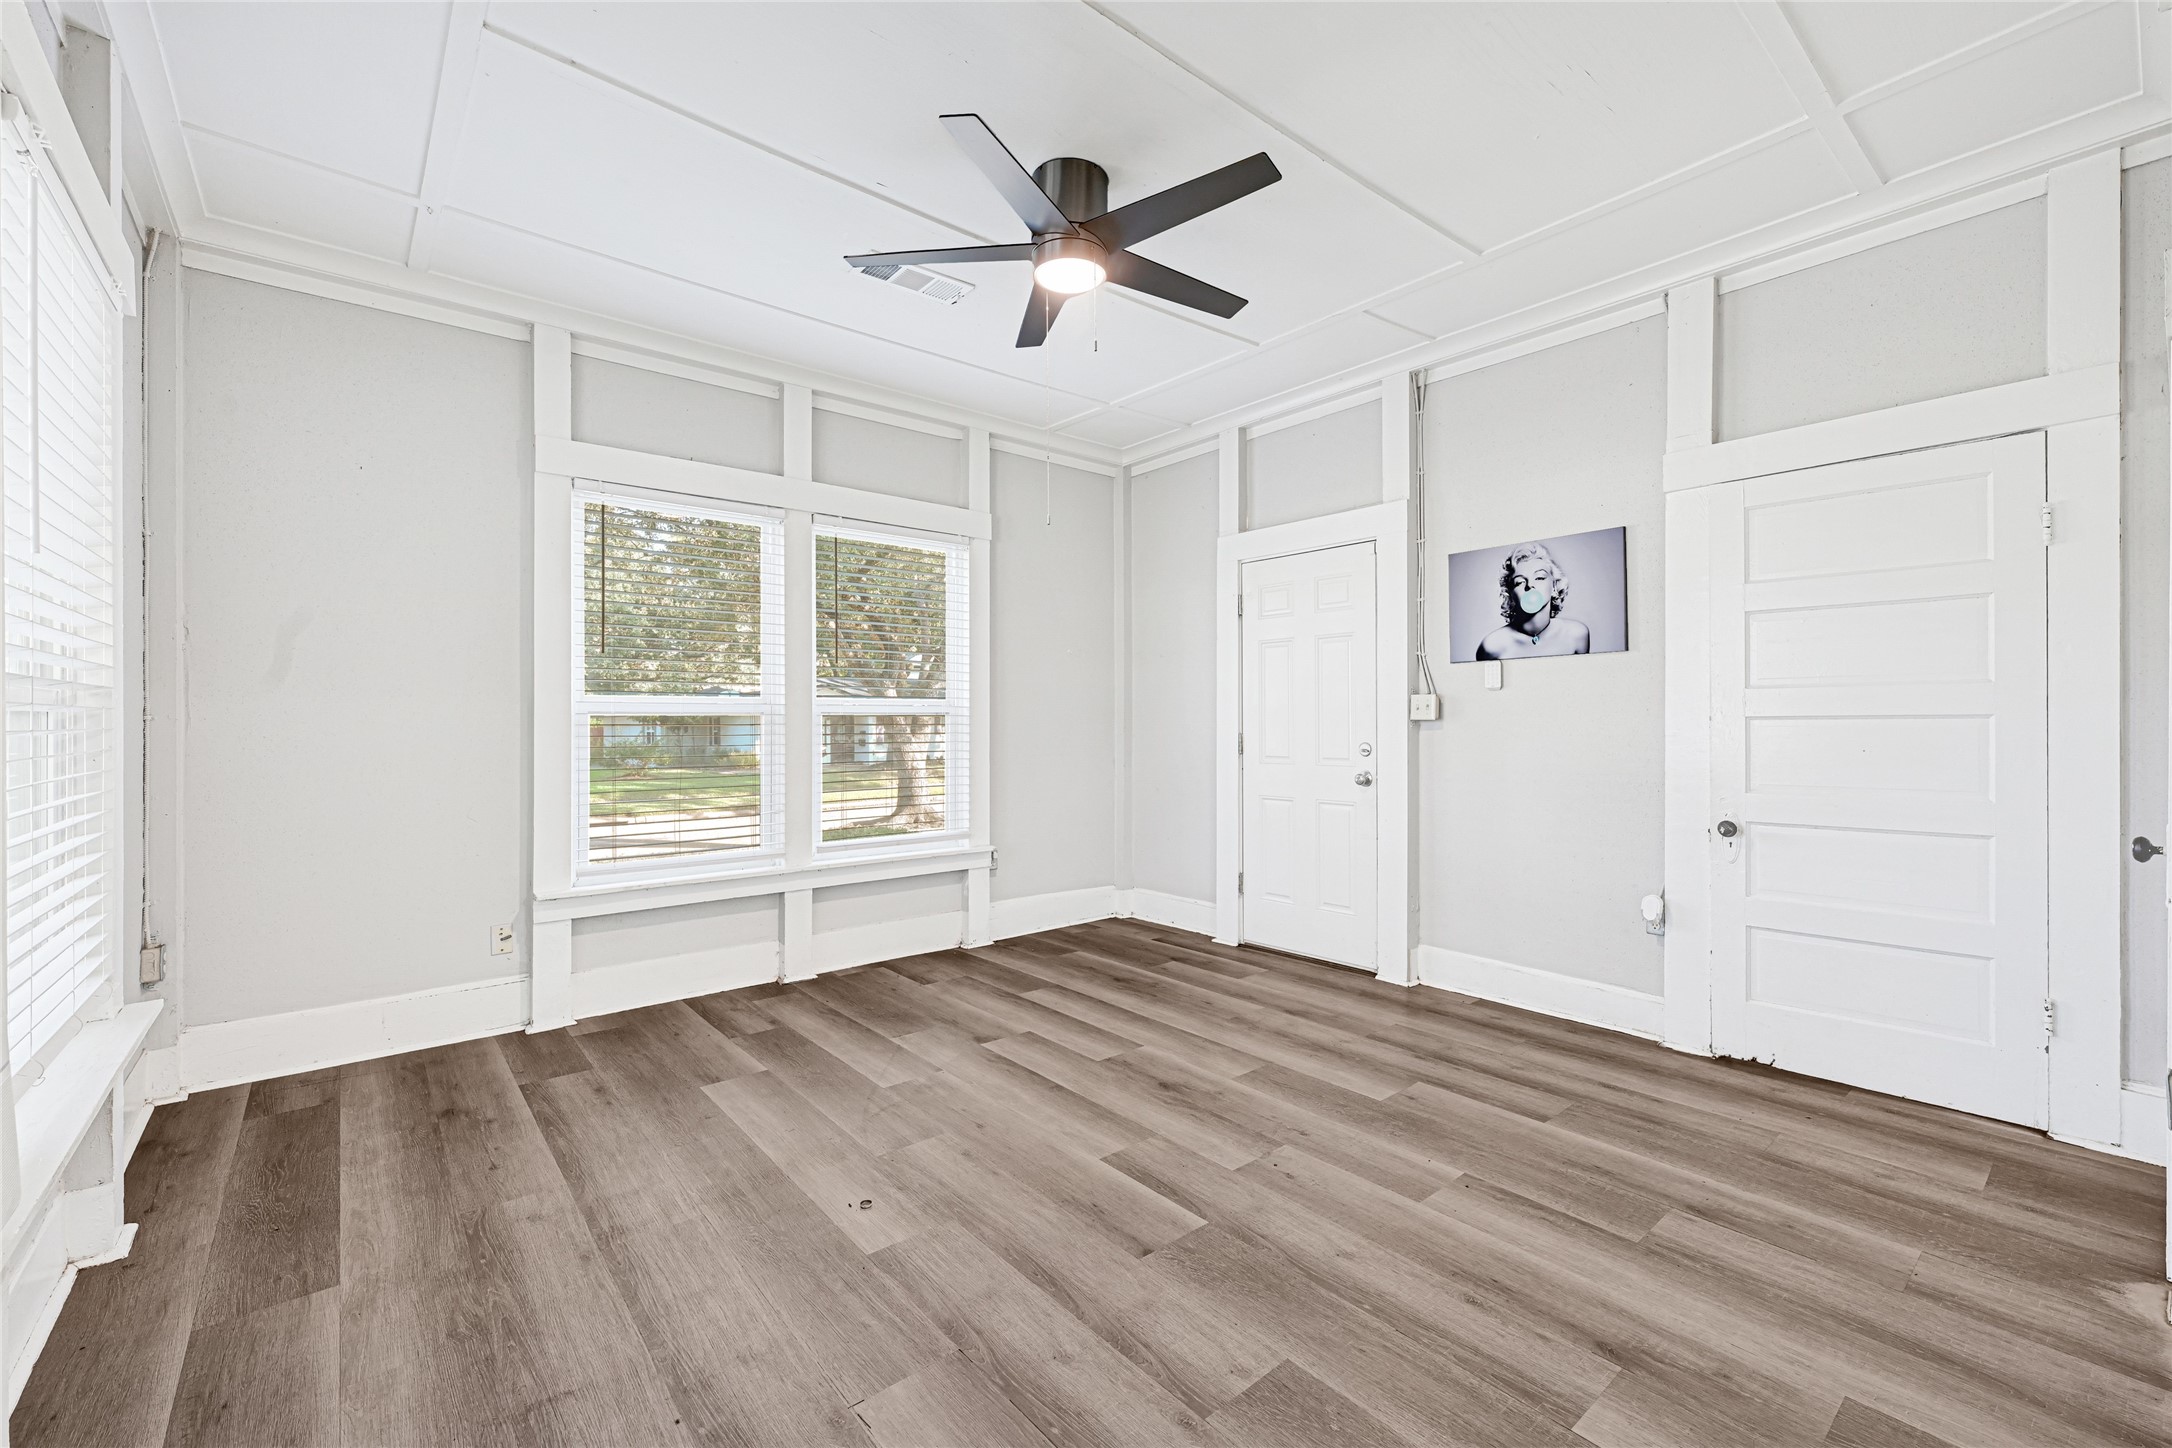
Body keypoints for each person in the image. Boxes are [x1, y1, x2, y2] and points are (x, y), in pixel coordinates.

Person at [1475, 541, 1591, 660]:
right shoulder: (1492, 647)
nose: (1530, 585)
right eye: (1520, 582)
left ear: (1555, 587)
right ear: (1510, 595)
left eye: (1539, 577)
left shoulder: (1577, 635)